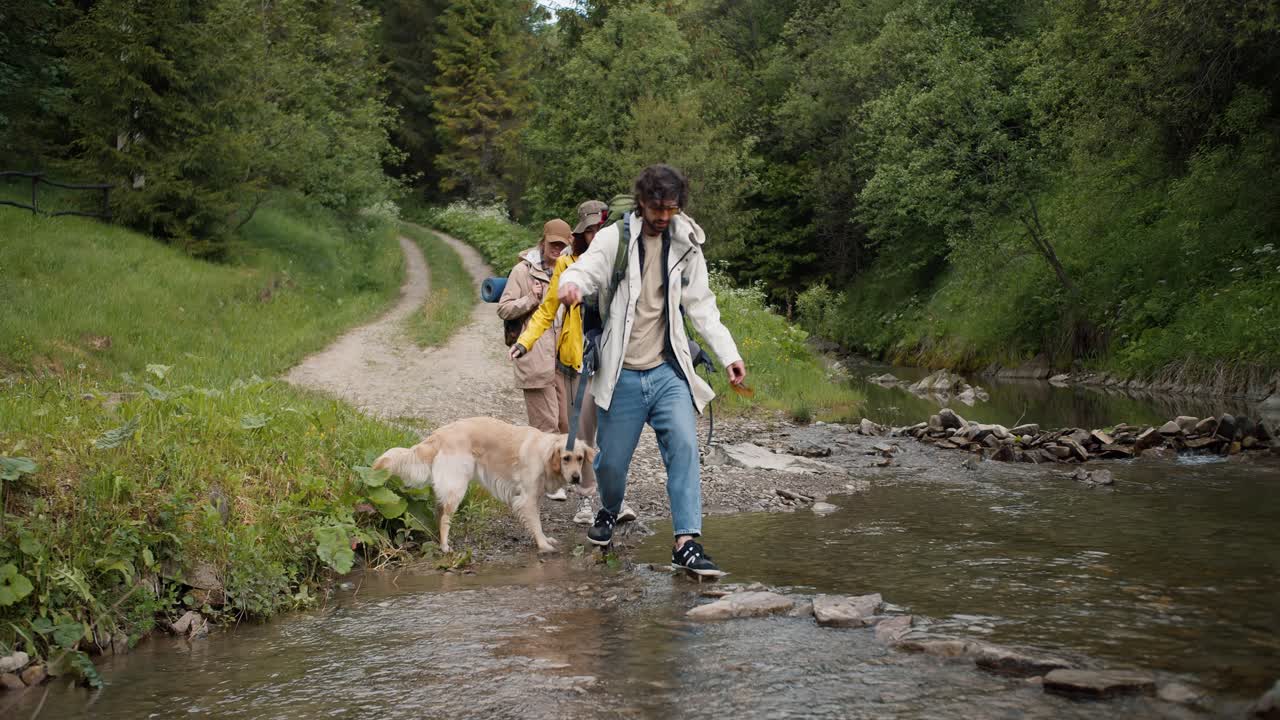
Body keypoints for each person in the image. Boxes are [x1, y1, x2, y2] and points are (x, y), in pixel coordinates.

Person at [557, 164, 747, 575]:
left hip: (667, 370)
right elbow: (583, 271)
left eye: (671, 209)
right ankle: (608, 510)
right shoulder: (615, 238)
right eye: (657, 208)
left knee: (683, 447)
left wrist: (729, 354)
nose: (663, 217)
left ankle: (686, 542)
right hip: (621, 373)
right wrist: (570, 287)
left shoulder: (687, 242)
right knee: (609, 465)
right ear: (642, 204)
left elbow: (702, 305)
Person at [510, 200, 638, 526]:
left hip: (615, 363)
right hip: (576, 364)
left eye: (601, 229)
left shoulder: (623, 262)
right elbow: (546, 311)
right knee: (582, 437)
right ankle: (585, 502)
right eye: (590, 230)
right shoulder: (567, 265)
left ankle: (614, 501)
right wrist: (525, 342)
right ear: (580, 233)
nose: (596, 236)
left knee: (612, 436)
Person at [497, 219, 572, 500]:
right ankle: (549, 481)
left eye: (561, 245)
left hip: (562, 358)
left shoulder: (569, 270)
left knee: (566, 422)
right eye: (552, 243)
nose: (556, 249)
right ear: (543, 240)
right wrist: (530, 299)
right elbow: (504, 309)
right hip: (533, 355)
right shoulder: (522, 271)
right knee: (545, 425)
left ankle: (556, 474)